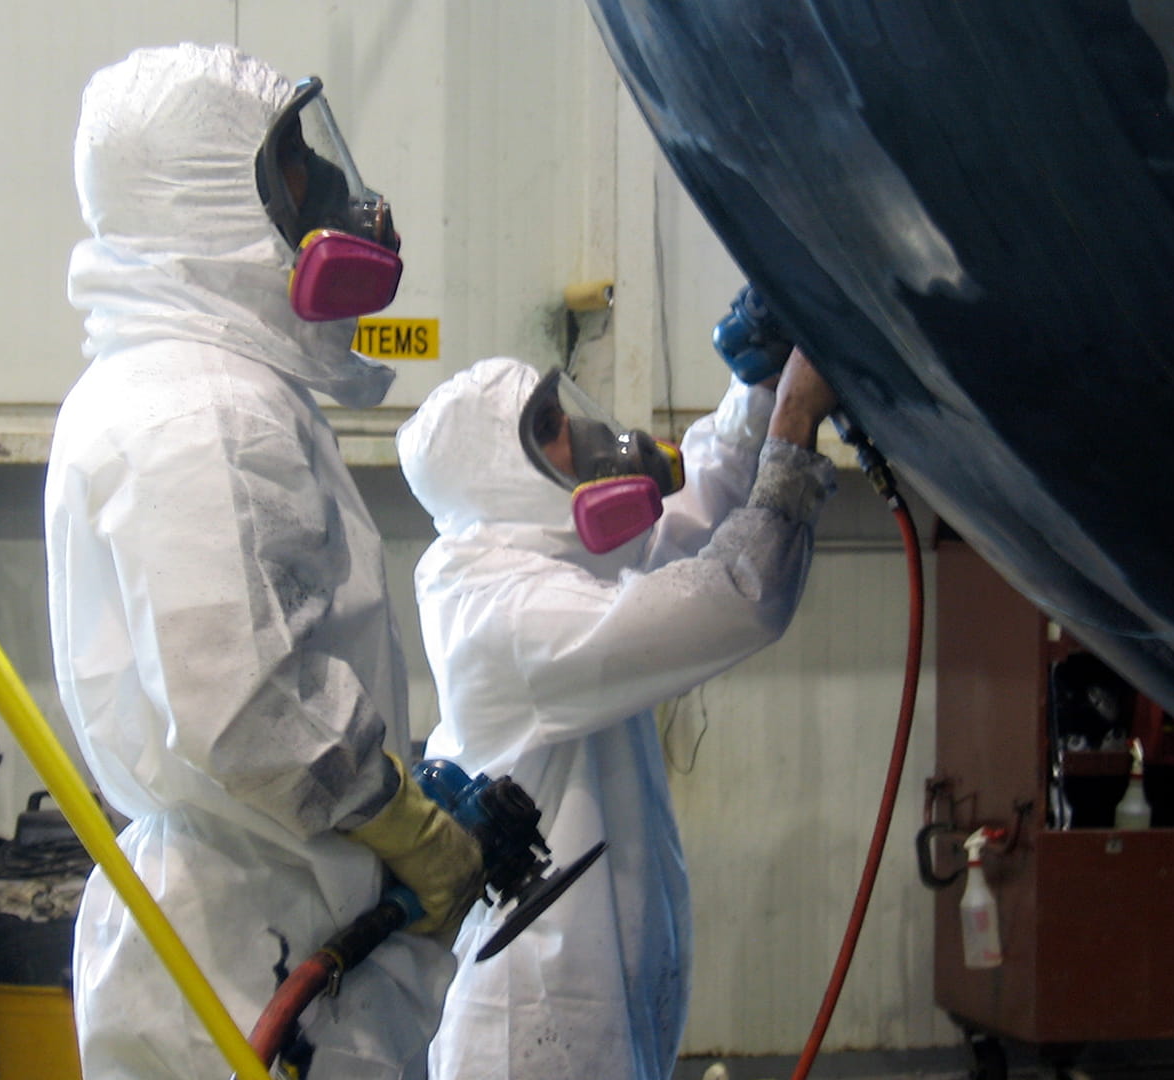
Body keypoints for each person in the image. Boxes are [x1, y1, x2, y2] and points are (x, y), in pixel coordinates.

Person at [45, 43, 482, 1079]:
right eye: (294, 171)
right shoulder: (205, 411)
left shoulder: (171, 384)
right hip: (257, 947)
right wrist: (403, 821)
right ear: (205, 194)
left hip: (256, 916)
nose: (327, 197)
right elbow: (243, 699)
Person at [396, 348, 840, 1079]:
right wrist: (792, 427)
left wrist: (757, 382)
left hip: (589, 992)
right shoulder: (504, 608)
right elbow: (736, 595)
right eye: (547, 427)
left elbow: (691, 512)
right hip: (532, 1022)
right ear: (497, 474)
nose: (575, 432)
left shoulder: (552, 563)